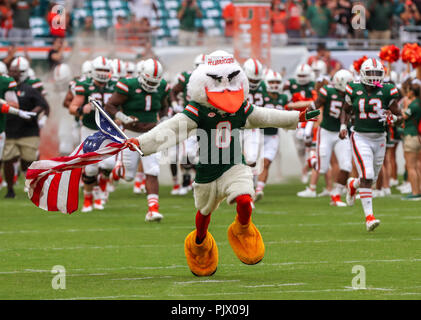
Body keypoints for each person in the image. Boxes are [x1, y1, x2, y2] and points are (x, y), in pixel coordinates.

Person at [124, 50, 319, 276]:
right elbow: (170, 129)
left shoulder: (240, 107)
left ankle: (242, 228)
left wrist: (297, 117)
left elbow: (265, 116)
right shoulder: (198, 110)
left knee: (245, 199)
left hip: (234, 164)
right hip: (207, 170)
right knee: (204, 213)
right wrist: (141, 142)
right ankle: (199, 243)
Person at [105, 58, 170, 222]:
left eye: (154, 82)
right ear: (142, 75)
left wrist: (163, 120)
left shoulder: (162, 87)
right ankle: (115, 170)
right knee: (128, 176)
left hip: (151, 135)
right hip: (131, 135)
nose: (151, 85)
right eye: (148, 81)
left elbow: (164, 106)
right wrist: (123, 117)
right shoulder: (128, 85)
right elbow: (110, 105)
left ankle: (153, 210)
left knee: (153, 171)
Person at [340, 58, 401, 231]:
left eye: (377, 73)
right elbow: (346, 109)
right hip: (360, 137)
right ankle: (369, 217)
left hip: (380, 137)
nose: (374, 77)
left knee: (370, 179)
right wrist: (344, 125)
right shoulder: (354, 88)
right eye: (371, 73)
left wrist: (393, 118)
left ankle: (353, 184)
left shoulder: (388, 90)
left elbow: (400, 116)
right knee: (367, 175)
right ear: (363, 74)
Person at [69, 56, 117, 212]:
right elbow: (72, 107)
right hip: (89, 129)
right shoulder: (84, 86)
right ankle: (88, 198)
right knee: (90, 168)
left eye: (105, 70)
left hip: (109, 130)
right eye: (100, 70)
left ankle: (101, 189)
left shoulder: (116, 86)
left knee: (109, 164)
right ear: (93, 71)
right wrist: (82, 110)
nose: (103, 73)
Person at [2, 62, 47, 198]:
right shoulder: (3, 88)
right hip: (9, 129)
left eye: (17, 72)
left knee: (28, 162)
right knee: (8, 160)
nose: (14, 74)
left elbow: (42, 104)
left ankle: (33, 187)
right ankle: (10, 189)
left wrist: (33, 113)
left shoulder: (29, 89)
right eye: (12, 71)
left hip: (28, 131)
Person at [311, 69, 354, 206]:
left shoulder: (352, 95)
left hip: (342, 133)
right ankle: (312, 159)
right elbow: (314, 106)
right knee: (322, 168)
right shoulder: (327, 91)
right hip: (326, 132)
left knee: (346, 165)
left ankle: (335, 195)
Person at [254, 69, 289, 202]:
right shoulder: (260, 95)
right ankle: (249, 186)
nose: (275, 84)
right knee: (251, 163)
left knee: (266, 163)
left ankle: (259, 190)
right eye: (272, 82)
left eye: (277, 82)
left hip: (273, 135)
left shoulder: (283, 98)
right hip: (257, 133)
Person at [401, 82, 421, 200]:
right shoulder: (418, 103)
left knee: (411, 166)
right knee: (417, 166)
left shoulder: (413, 105)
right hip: (417, 136)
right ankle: (418, 190)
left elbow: (404, 116)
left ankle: (415, 192)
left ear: (412, 92)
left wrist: (404, 106)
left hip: (411, 135)